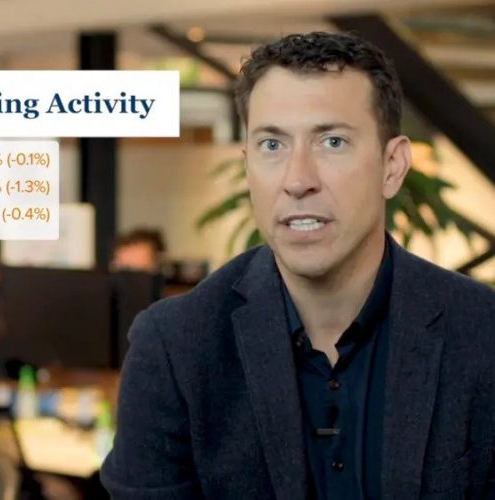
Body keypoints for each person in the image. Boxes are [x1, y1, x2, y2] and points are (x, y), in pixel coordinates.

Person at [101, 32, 495, 499]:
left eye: (332, 141)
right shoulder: (176, 347)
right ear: (247, 166)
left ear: (392, 166)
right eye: (272, 145)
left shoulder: (482, 333)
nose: (297, 179)